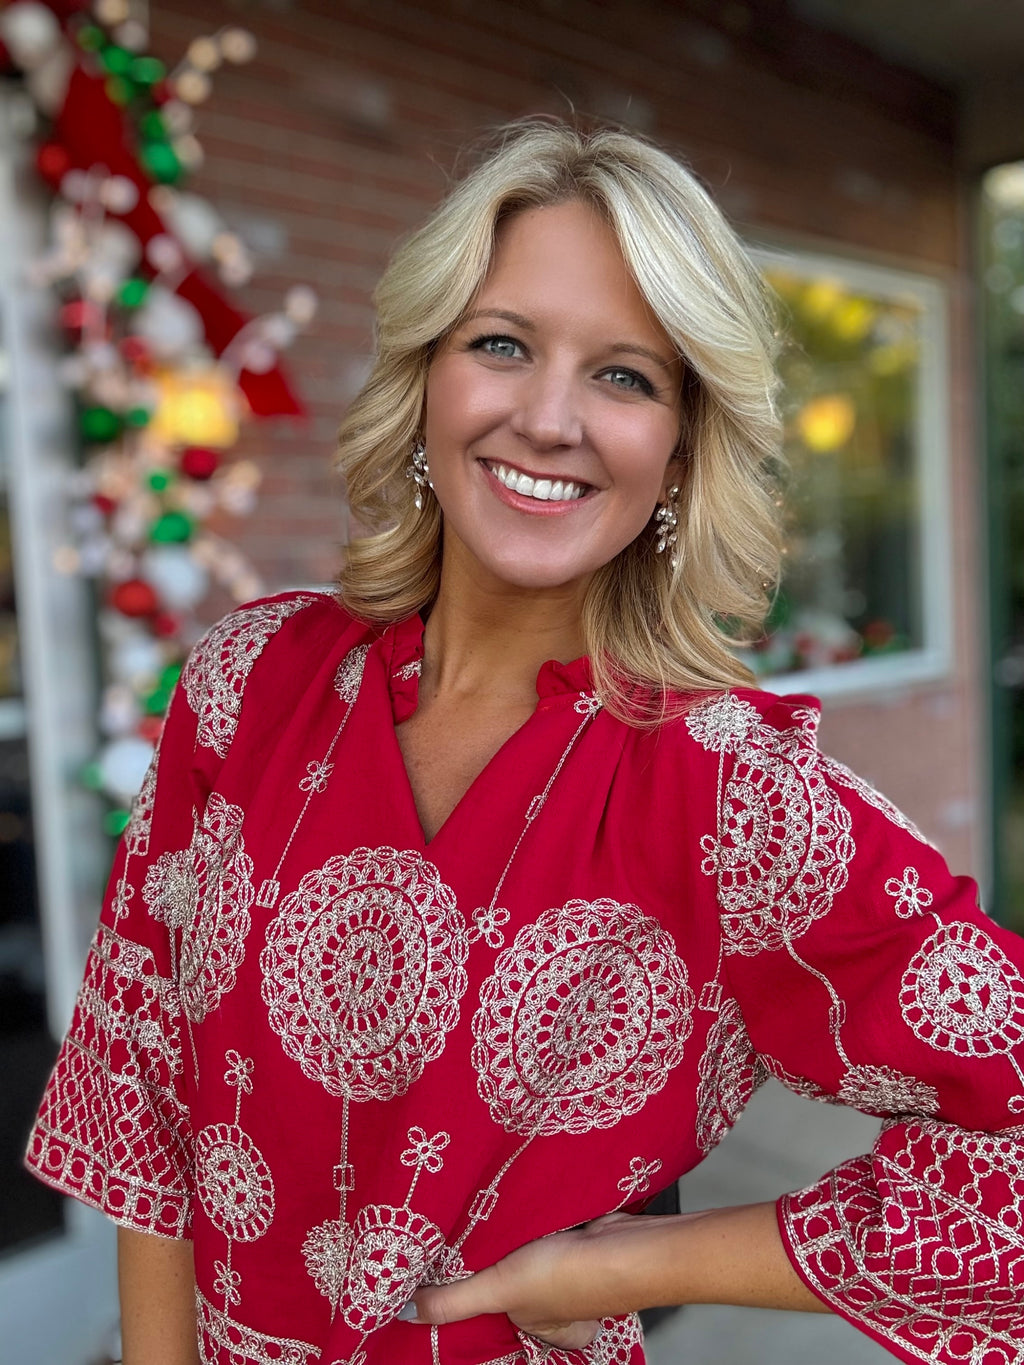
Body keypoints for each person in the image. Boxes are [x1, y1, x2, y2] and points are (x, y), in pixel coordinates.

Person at [25, 119, 1024, 1365]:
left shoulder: (733, 793)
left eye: (625, 375)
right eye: (501, 345)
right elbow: (144, 1084)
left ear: (678, 450)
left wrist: (634, 1260)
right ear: (425, 377)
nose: (550, 419)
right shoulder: (247, 680)